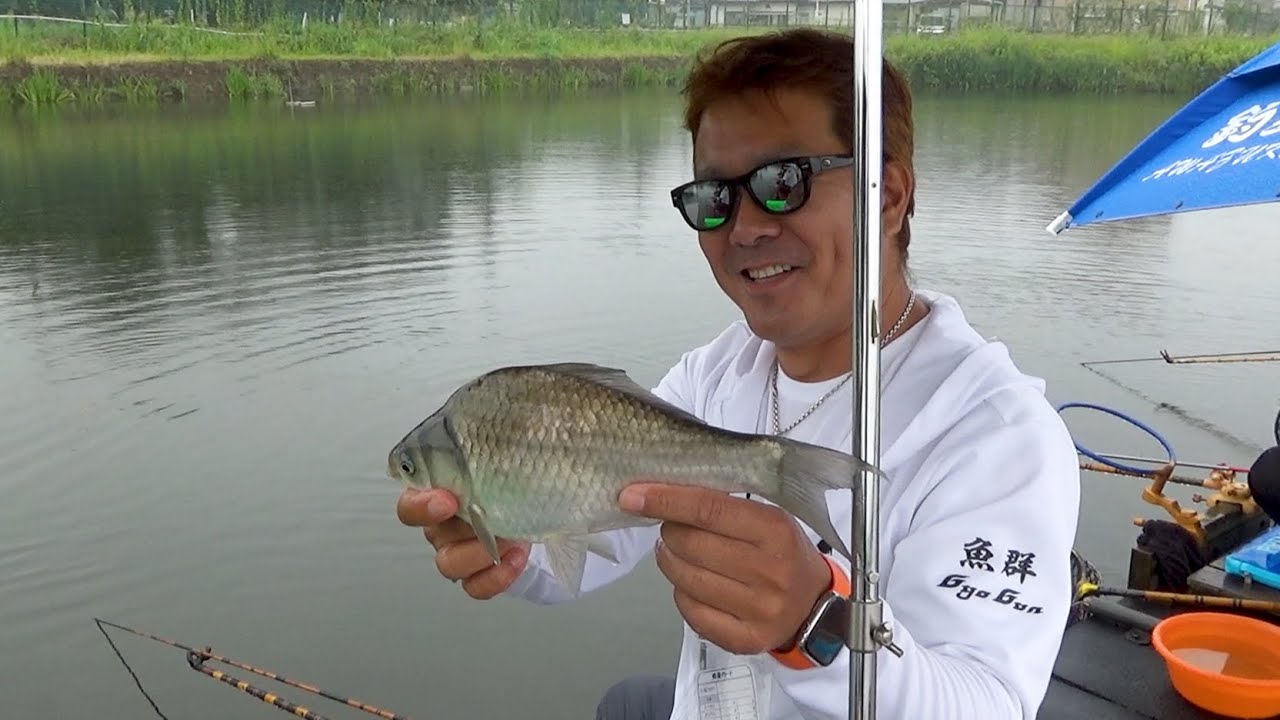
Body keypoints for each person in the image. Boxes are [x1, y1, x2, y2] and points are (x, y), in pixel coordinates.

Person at [396, 27, 1082, 720]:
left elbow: (988, 704)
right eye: (714, 198)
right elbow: (595, 543)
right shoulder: (715, 374)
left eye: (783, 183)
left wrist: (817, 626)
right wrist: (505, 532)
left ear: (888, 195)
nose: (745, 228)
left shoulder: (997, 436)